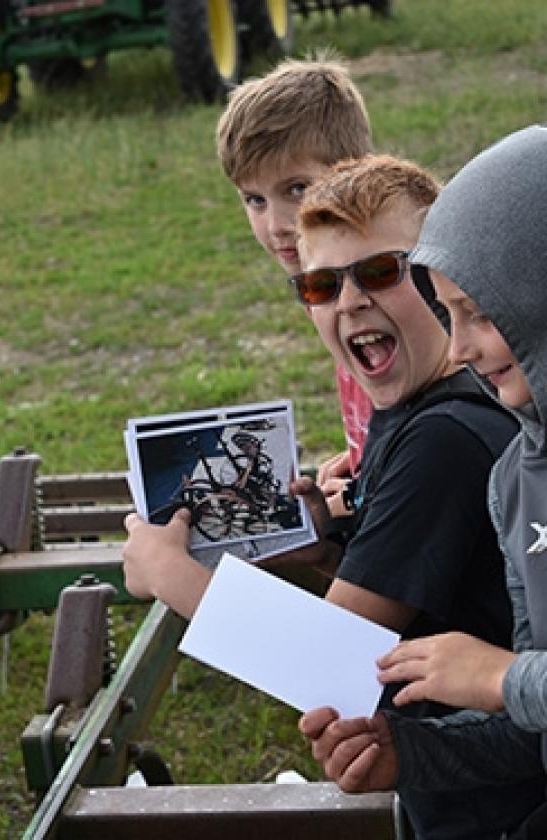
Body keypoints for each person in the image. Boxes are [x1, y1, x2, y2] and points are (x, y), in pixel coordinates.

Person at [123, 154, 545, 839]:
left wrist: (173, 576)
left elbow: (337, 661)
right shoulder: (414, 409)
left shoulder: (443, 438)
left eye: (382, 271)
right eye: (319, 286)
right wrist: (330, 555)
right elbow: (442, 586)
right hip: (464, 774)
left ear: (442, 274)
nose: (349, 301)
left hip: (498, 806)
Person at [300, 126, 547, 839]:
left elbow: (506, 683)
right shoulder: (517, 478)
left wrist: (501, 679)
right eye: (450, 313)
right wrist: (407, 755)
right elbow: (530, 730)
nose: (462, 345)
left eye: (481, 313)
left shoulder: (451, 435)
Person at [216, 55, 373, 492]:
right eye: (255, 200)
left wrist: (366, 489)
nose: (276, 225)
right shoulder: (323, 281)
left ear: (358, 170)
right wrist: (363, 454)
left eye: (297, 189)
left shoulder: (376, 289)